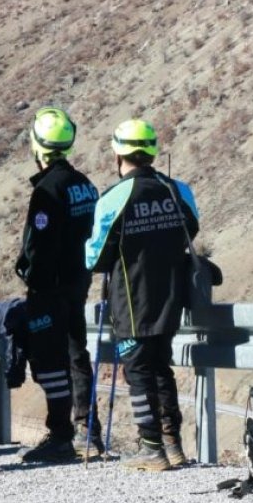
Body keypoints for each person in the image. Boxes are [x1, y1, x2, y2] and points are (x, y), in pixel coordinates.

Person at [85, 119, 199, 472]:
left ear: (118, 153)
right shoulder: (179, 190)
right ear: (151, 150)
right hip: (171, 293)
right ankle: (172, 443)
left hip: (131, 298)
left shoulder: (113, 198)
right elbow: (190, 229)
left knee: (137, 371)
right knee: (161, 366)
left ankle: (150, 448)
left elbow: (95, 258)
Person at [14, 107, 101, 463]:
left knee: (51, 359)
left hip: (51, 288)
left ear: (37, 146)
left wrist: (31, 277)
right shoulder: (85, 184)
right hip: (78, 282)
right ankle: (88, 429)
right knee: (77, 352)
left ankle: (61, 433)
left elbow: (39, 245)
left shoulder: (48, 190)